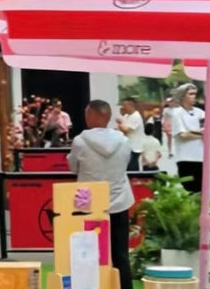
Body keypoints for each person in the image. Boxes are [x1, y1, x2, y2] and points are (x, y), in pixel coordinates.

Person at [68, 101, 133, 289]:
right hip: (119, 202)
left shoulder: (80, 141)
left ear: (94, 115)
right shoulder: (124, 140)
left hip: (89, 204)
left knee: (87, 254)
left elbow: (73, 167)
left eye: (87, 113)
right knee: (121, 255)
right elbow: (125, 164)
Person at [171, 84, 205, 193]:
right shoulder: (177, 113)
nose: (194, 96)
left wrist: (192, 132)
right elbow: (182, 135)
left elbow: (209, 132)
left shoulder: (201, 113)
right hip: (185, 157)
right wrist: (200, 133)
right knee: (189, 189)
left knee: (201, 189)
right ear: (182, 96)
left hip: (200, 157)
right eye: (190, 94)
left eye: (195, 94)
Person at [117, 98, 146, 171]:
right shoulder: (127, 116)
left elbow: (126, 130)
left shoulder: (136, 116)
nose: (123, 107)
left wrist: (120, 124)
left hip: (134, 147)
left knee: (132, 166)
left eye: (124, 105)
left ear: (131, 105)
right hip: (128, 145)